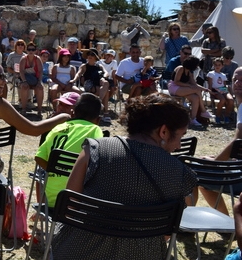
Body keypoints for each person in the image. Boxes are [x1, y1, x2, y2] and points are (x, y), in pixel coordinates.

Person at [51, 94, 197, 260]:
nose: (179, 145)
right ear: (163, 131)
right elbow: (165, 234)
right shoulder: (179, 173)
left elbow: (69, 209)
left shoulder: (94, 150)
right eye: (180, 136)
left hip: (77, 251)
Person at [0, 60, 69, 183]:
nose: (5, 81)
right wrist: (63, 117)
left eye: (5, 76)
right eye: (0, 76)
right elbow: (33, 130)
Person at [34, 93, 103, 208]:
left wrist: (55, 171)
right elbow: (98, 159)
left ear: (72, 113)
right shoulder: (95, 130)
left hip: (50, 201)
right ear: (98, 120)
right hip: (75, 202)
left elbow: (39, 157)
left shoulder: (57, 128)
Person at [169, 55, 210, 128]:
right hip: (174, 87)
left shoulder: (189, 73)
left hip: (183, 88)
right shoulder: (181, 68)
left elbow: (194, 84)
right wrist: (188, 85)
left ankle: (193, 118)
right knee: (196, 90)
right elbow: (176, 81)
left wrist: (205, 89)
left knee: (195, 98)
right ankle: (203, 110)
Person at [73, 49, 109, 120]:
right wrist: (74, 80)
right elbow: (78, 74)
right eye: (88, 54)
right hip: (88, 84)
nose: (90, 56)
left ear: (95, 57)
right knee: (106, 92)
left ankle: (100, 102)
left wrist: (103, 77)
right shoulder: (84, 66)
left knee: (106, 84)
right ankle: (105, 113)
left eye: (92, 55)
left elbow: (106, 73)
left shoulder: (99, 66)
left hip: (98, 84)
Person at [207, 58, 235, 124]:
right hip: (215, 89)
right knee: (222, 100)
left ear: (222, 66)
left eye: (219, 65)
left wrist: (226, 92)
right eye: (216, 65)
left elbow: (224, 85)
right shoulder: (211, 73)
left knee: (231, 100)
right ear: (213, 65)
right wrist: (210, 92)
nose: (217, 66)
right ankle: (218, 115)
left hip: (222, 89)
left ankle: (226, 116)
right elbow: (210, 84)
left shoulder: (223, 75)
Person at [18, 42, 44, 115]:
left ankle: (39, 110)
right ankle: (24, 109)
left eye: (33, 49)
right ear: (26, 50)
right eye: (29, 49)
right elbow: (21, 71)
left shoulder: (37, 59)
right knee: (24, 87)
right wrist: (24, 81)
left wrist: (39, 82)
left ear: (35, 51)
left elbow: (40, 71)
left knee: (40, 88)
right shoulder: (23, 59)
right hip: (25, 78)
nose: (31, 51)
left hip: (36, 78)